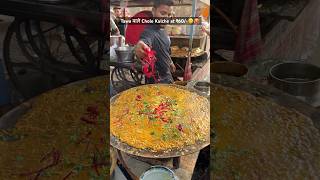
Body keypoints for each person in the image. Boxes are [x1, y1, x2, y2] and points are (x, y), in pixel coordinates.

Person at [135, 0, 176, 84]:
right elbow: (145, 40)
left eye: (169, 15)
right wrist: (140, 45)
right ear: (153, 11)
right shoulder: (149, 31)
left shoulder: (162, 29)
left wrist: (170, 62)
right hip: (155, 81)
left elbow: (165, 50)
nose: (166, 18)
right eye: (163, 13)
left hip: (167, 76)